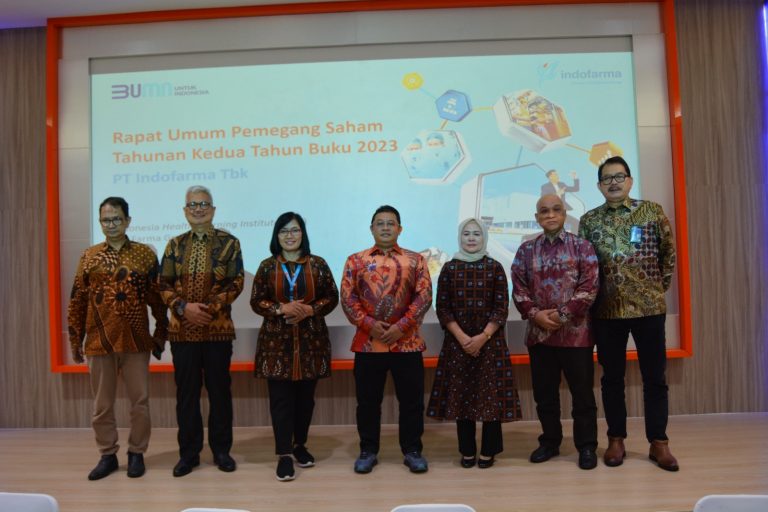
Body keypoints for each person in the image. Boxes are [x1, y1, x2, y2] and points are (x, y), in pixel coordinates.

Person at [578, 156, 678, 471]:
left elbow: (668, 254)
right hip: (607, 311)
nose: (614, 182)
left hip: (649, 309)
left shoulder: (651, 211)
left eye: (619, 176)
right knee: (612, 379)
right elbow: (585, 266)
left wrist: (655, 288)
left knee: (655, 378)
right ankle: (616, 439)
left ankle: (659, 442)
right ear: (599, 185)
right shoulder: (589, 220)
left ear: (630, 181)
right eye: (607, 178)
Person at [67, 196, 168, 480]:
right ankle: (107, 455)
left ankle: (137, 453)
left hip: (136, 340)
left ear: (127, 221)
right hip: (99, 341)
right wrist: (75, 340)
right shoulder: (89, 256)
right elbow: (77, 300)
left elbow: (158, 299)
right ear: (100, 222)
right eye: (105, 220)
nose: (110, 225)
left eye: (116, 219)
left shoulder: (145, 255)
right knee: (102, 405)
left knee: (140, 402)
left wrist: (161, 334)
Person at [159, 185, 244, 477]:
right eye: (193, 204)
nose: (198, 209)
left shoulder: (229, 243)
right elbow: (163, 284)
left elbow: (236, 283)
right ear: (185, 211)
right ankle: (189, 454)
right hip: (182, 333)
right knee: (187, 395)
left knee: (220, 393)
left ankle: (221, 451)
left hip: (217, 331)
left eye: (204, 203)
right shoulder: (174, 245)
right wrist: (184, 308)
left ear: (213, 209)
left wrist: (207, 309)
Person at [340, 205, 432, 474]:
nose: (385, 228)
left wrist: (401, 327)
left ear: (400, 229)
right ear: (371, 229)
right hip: (369, 344)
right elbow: (347, 298)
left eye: (391, 223)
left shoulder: (415, 260)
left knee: (412, 402)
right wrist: (370, 325)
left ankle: (412, 450)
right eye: (379, 223)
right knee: (368, 403)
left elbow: (424, 296)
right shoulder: (355, 260)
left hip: (407, 343)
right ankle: (368, 451)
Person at [511, 194, 600, 470]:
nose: (550, 215)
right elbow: (519, 288)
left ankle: (586, 446)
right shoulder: (526, 250)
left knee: (582, 396)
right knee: (545, 396)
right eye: (544, 211)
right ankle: (550, 442)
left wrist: (561, 316)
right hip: (540, 337)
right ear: (537, 217)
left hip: (576, 336)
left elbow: (589, 288)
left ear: (564, 214)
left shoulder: (582, 247)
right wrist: (535, 315)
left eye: (556, 210)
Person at [250, 212, 339, 481]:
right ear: (276, 236)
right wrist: (281, 308)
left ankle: (300, 445)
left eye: (295, 230)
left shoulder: (318, 264)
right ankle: (284, 455)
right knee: (281, 401)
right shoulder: (267, 266)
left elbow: (332, 297)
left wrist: (310, 310)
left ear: (303, 234)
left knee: (305, 400)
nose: (290, 235)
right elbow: (256, 301)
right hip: (276, 345)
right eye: (284, 231)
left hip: (311, 343)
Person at [427, 218, 521, 469]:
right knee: (463, 399)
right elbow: (442, 307)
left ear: (484, 238)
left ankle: (489, 451)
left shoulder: (495, 267)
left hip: (490, 343)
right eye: (466, 234)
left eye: (476, 234)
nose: (471, 238)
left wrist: (482, 337)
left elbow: (501, 308)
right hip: (458, 344)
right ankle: (467, 450)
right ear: (460, 237)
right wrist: (462, 337)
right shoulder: (449, 268)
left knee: (491, 400)